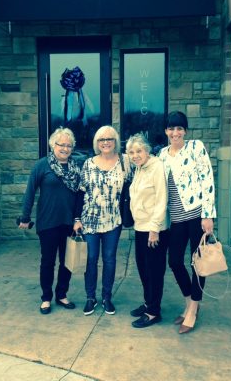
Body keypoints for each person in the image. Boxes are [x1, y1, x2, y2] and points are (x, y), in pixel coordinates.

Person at [159, 111, 216, 334]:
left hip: (196, 216)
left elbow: (207, 180)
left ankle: (192, 309)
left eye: (180, 128)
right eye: (171, 129)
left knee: (198, 264)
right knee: (174, 261)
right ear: (166, 131)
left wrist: (208, 215)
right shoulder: (162, 155)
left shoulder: (195, 147)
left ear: (185, 130)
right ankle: (190, 301)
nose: (176, 133)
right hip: (176, 218)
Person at [18, 127, 81, 315]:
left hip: (69, 222)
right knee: (48, 262)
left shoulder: (76, 167)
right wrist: (25, 217)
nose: (65, 148)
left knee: (67, 261)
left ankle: (62, 294)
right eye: (61, 144)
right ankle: (46, 297)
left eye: (69, 145)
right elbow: (30, 192)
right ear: (53, 145)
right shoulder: (42, 165)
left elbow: (80, 194)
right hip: (48, 222)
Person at [74, 125, 131, 316]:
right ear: (97, 143)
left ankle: (107, 297)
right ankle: (90, 297)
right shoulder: (89, 163)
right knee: (91, 259)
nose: (105, 142)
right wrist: (76, 219)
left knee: (109, 259)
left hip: (113, 220)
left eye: (109, 139)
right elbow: (80, 193)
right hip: (89, 219)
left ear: (115, 141)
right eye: (101, 140)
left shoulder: (125, 162)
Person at [126, 133, 168, 328]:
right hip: (140, 227)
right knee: (143, 269)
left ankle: (153, 312)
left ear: (147, 150)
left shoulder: (156, 166)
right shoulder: (139, 169)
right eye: (131, 152)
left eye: (139, 151)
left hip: (154, 229)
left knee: (154, 271)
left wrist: (155, 229)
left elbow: (161, 199)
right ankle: (148, 302)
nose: (135, 155)